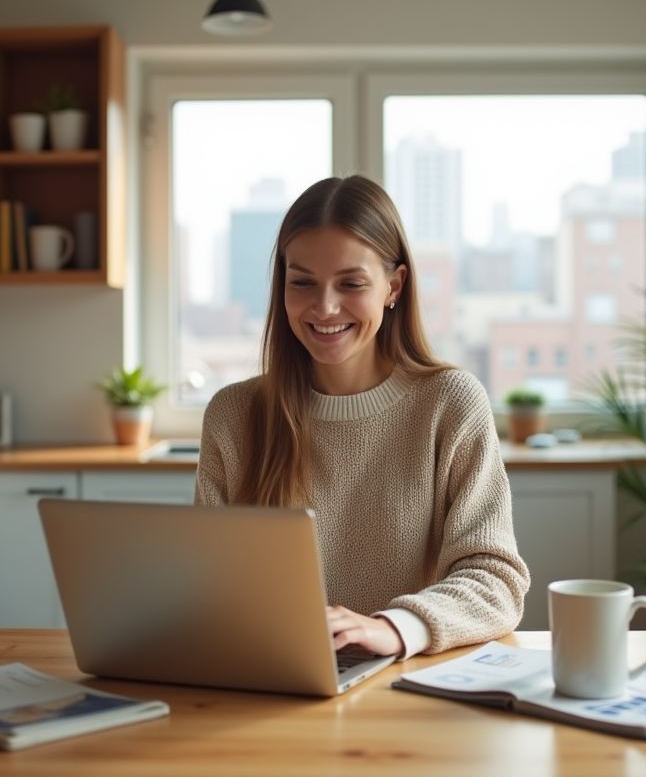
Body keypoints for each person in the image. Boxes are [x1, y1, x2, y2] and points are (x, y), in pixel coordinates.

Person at [194, 174, 529, 659]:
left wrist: (392, 629)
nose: (325, 307)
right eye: (302, 282)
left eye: (350, 283)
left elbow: (495, 580)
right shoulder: (233, 415)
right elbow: (209, 584)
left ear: (394, 286)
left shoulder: (451, 404)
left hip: (404, 678)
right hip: (271, 677)